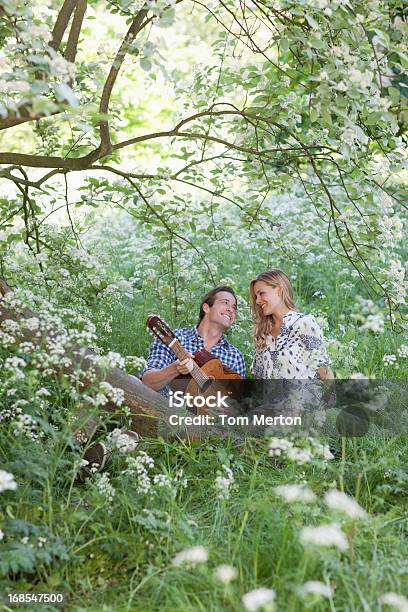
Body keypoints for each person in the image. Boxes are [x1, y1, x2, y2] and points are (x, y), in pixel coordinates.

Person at [141, 286, 246, 392]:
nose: (231, 309)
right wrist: (175, 369)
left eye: (234, 307)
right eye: (225, 303)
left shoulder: (235, 356)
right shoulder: (176, 339)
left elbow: (241, 402)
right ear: (206, 308)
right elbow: (148, 382)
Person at [249, 269, 333, 380]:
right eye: (256, 296)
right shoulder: (262, 333)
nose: (257, 301)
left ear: (279, 290)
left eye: (261, 293)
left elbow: (325, 374)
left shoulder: (304, 323)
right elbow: (258, 380)